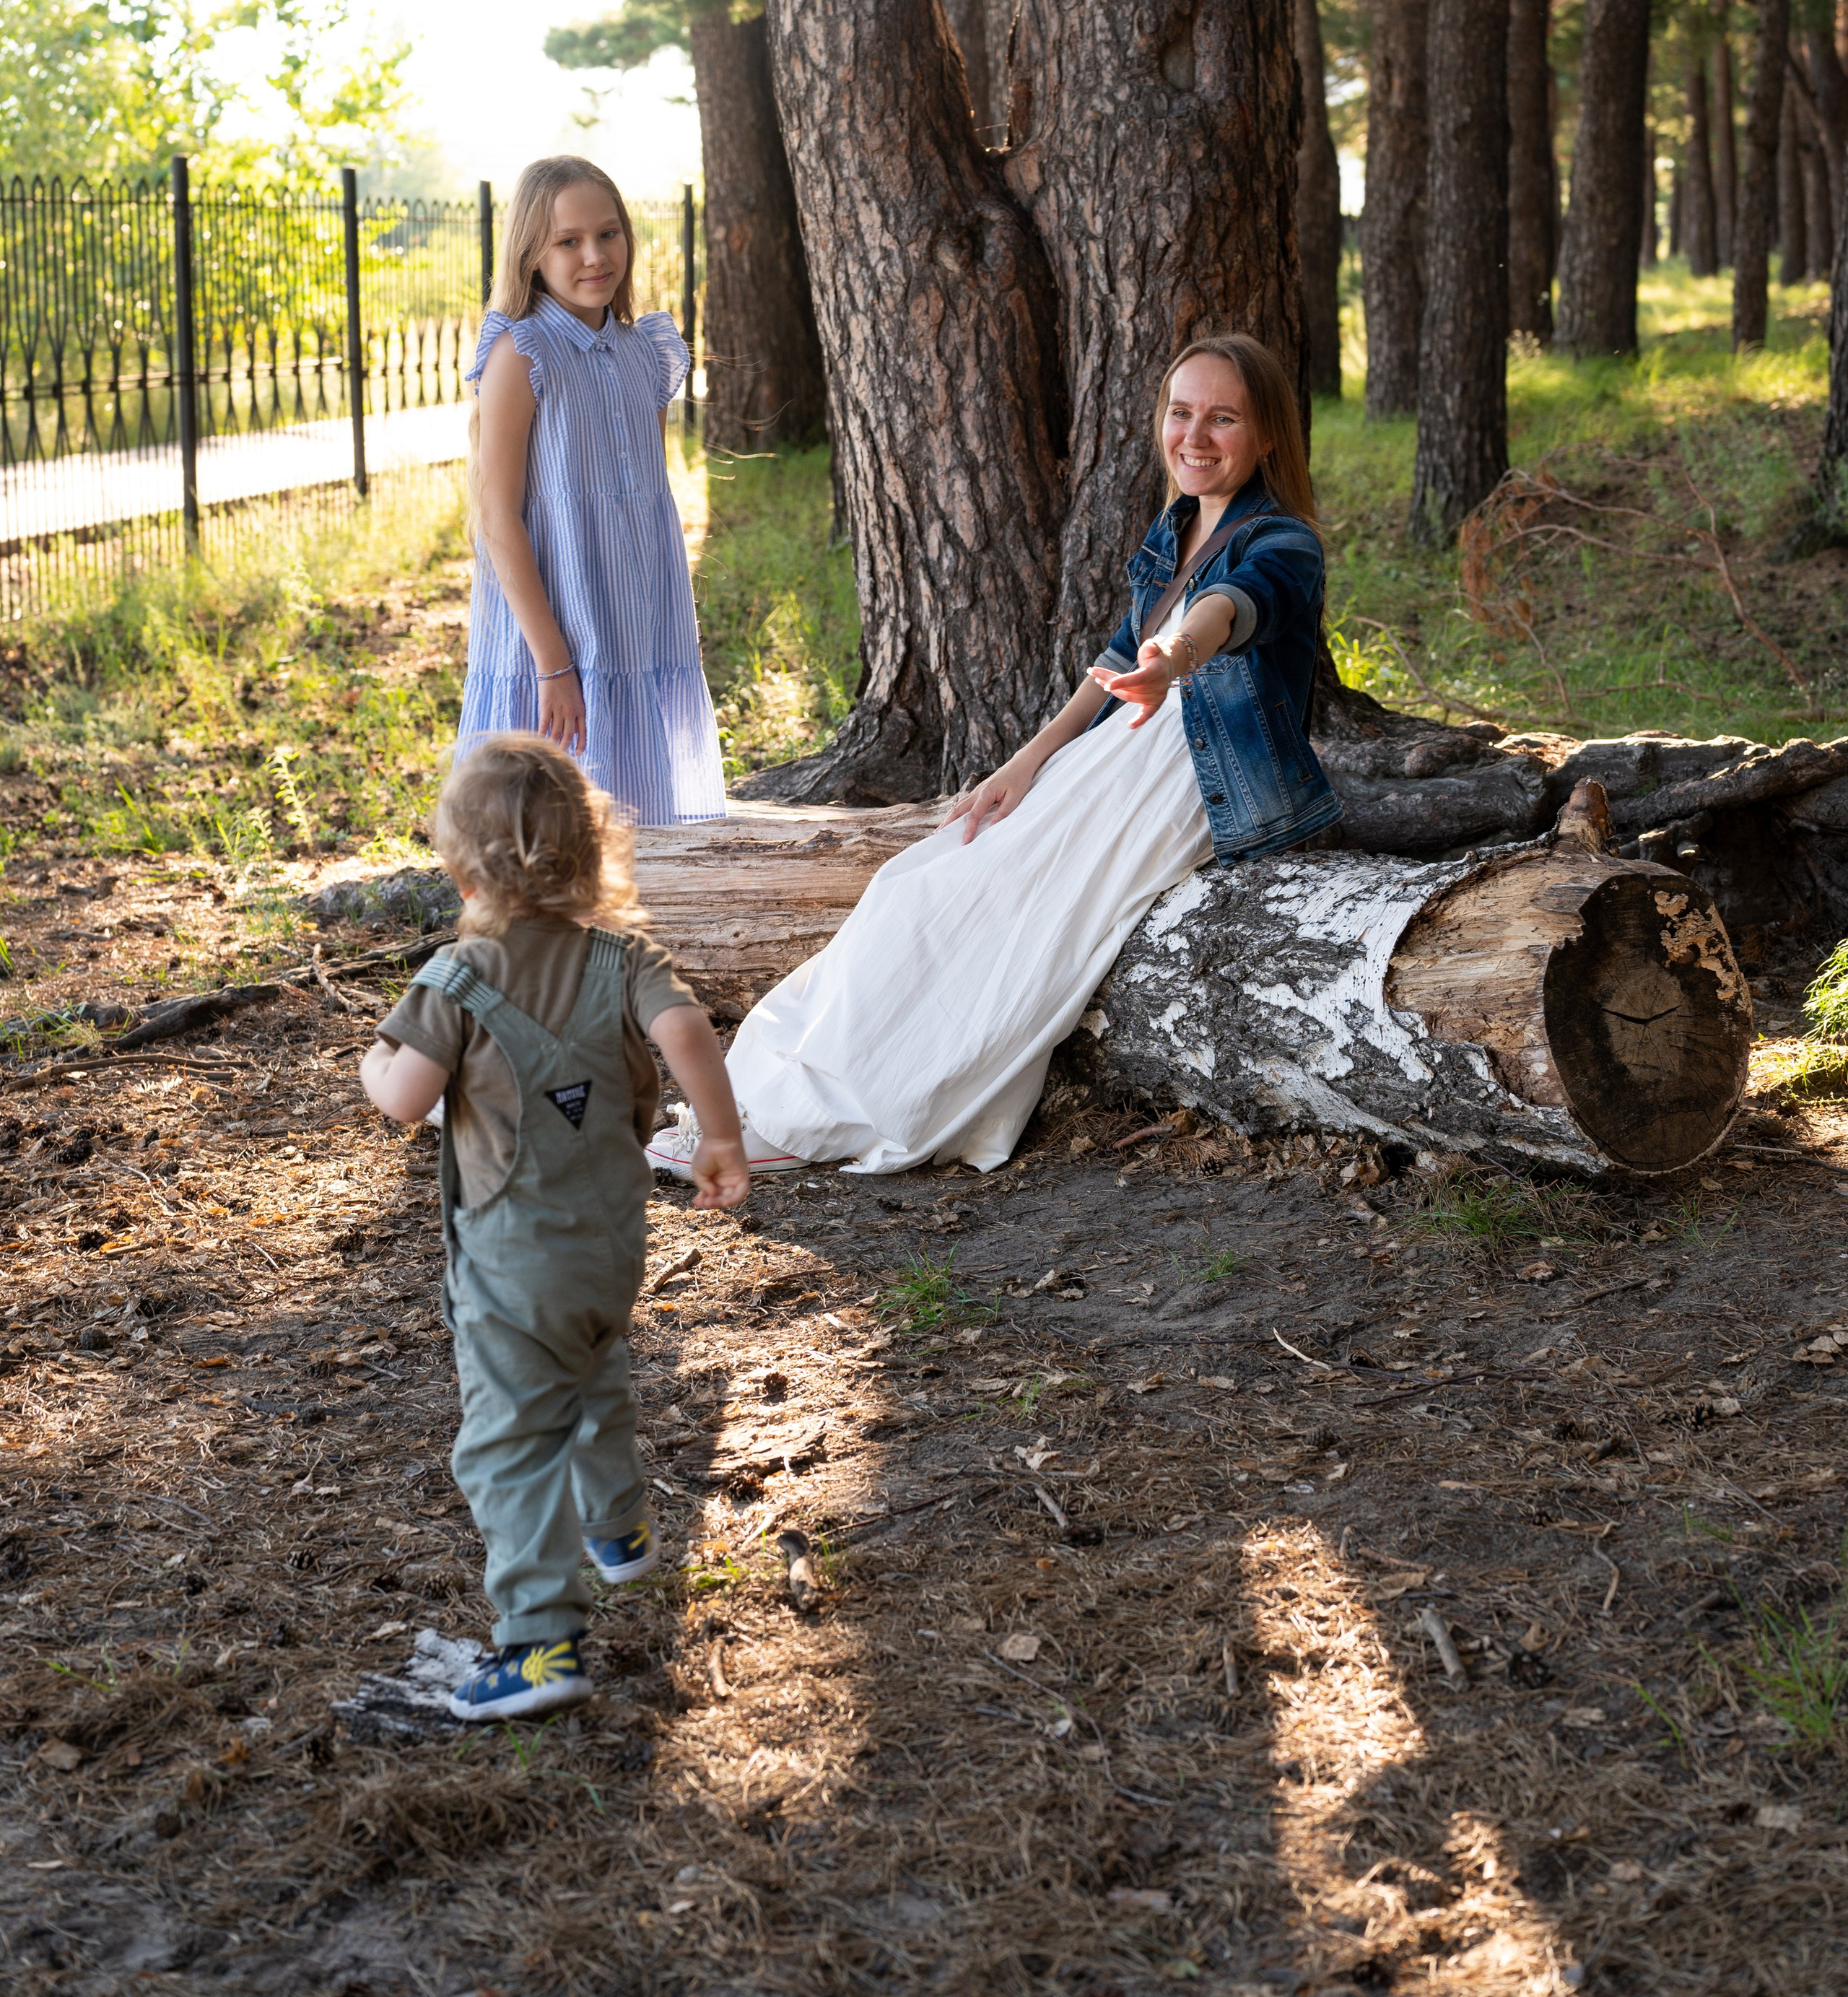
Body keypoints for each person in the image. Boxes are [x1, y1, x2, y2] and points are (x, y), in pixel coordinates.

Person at [650, 330, 1341, 1181]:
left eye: (1223, 418)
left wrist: (1178, 659)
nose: (1194, 436)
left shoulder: (1284, 542)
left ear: (1267, 434)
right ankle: (768, 1093)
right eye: (1180, 411)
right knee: (914, 883)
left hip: (1189, 780)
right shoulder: (1177, 527)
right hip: (1119, 755)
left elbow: (1233, 608)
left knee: (989, 912)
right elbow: (1118, 660)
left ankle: (833, 1114)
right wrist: (1028, 761)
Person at [358, 733, 750, 1722]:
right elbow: (690, 1029)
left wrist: (372, 1060)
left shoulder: (456, 978)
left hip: (509, 1268)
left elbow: (405, 1099)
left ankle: (538, 1646)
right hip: (609, 1247)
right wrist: (720, 1140)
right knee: (596, 1372)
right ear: (592, 851)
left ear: (457, 866)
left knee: (507, 1446)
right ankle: (617, 1532)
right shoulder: (624, 959)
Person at [460, 153, 725, 829]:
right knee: (549, 818)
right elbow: (498, 519)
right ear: (531, 255)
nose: (594, 256)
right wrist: (553, 663)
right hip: (551, 624)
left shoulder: (647, 351)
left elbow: (639, 497)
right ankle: (542, 933)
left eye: (608, 234)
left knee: (640, 812)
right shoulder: (522, 352)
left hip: (636, 619)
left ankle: (632, 924)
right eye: (568, 241)